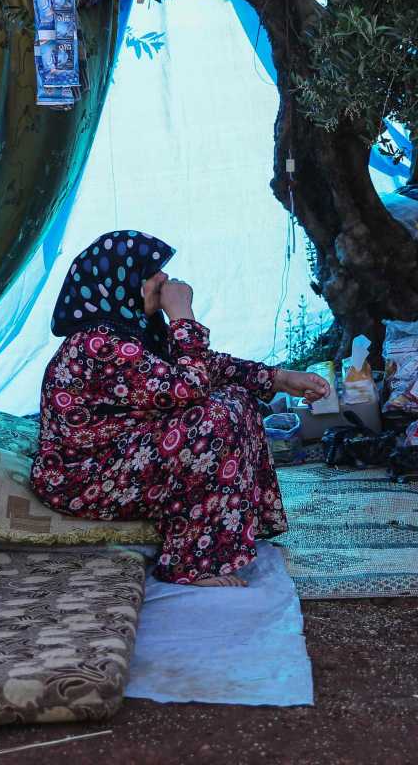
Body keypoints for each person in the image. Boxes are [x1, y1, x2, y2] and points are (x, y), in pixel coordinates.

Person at [31, 231, 329, 588]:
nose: (165, 280)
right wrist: (182, 315)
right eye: (153, 272)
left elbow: (203, 366)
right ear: (123, 280)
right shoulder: (96, 344)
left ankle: (237, 529)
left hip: (120, 455)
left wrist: (279, 378)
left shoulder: (131, 329)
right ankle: (191, 562)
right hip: (84, 476)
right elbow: (190, 386)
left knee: (236, 399)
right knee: (211, 421)